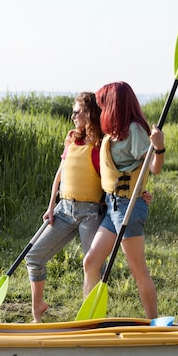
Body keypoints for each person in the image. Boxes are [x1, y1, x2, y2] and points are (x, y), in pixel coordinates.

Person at [82, 81, 165, 319]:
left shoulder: (134, 130)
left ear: (113, 104)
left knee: (138, 270)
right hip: (113, 207)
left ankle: (153, 321)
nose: (100, 108)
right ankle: (91, 319)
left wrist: (159, 148)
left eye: (102, 103)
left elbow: (154, 167)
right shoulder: (113, 131)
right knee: (91, 262)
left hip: (128, 207)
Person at [25, 92, 105, 323]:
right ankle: (37, 308)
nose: (73, 116)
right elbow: (59, 175)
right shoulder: (71, 138)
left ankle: (90, 317)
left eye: (77, 112)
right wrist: (51, 207)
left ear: (90, 114)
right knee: (35, 256)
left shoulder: (101, 143)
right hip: (64, 210)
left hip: (90, 213)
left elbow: (110, 180)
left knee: (93, 265)